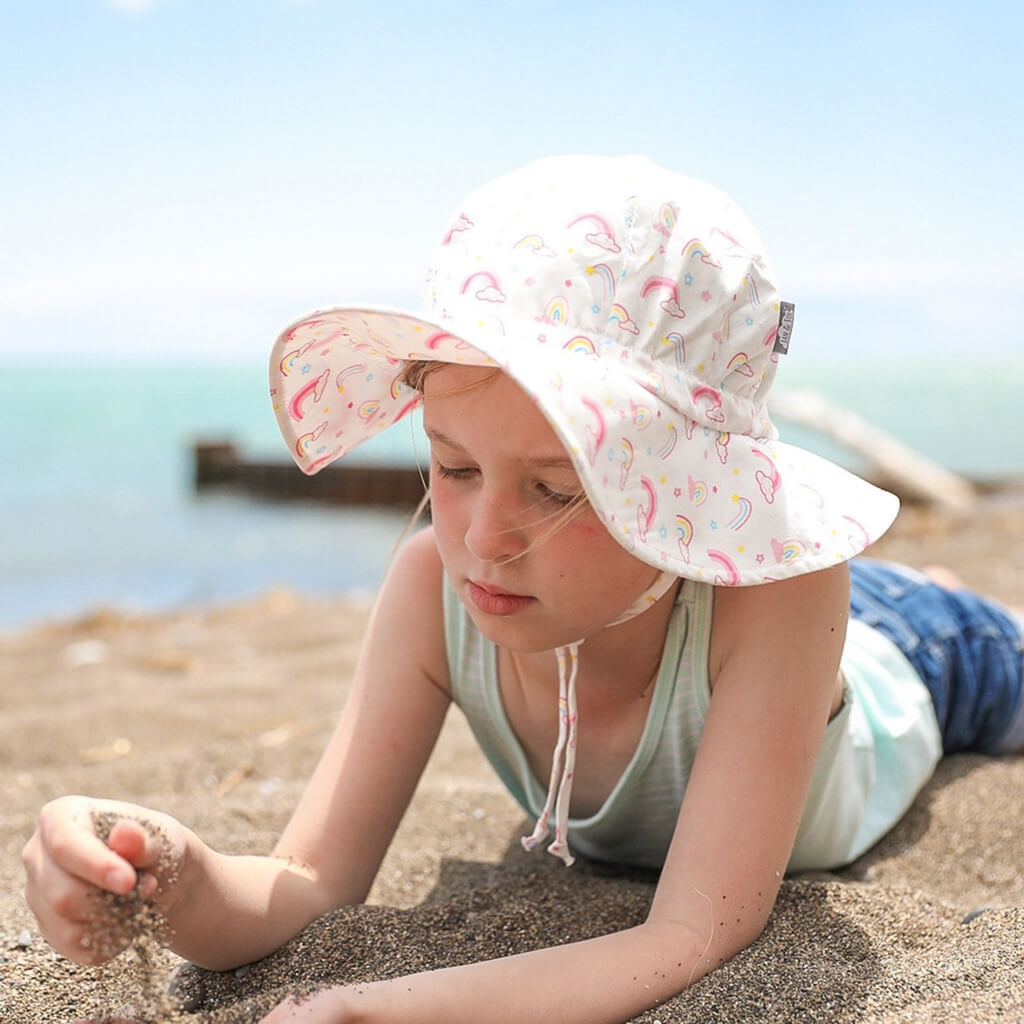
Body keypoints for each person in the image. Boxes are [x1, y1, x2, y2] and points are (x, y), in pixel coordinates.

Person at [22, 156, 1024, 1024]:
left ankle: (920, 593)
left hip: (919, 656)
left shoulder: (787, 587)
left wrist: (385, 1001)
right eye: (452, 468)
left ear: (688, 494)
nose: (482, 539)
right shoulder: (432, 583)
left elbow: (690, 932)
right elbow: (307, 885)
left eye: (555, 488)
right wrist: (168, 871)